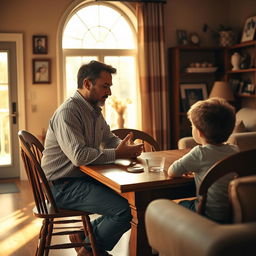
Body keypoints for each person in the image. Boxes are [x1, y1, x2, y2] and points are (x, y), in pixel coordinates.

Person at [41, 60, 143, 256]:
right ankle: (89, 251)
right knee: (125, 211)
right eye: (105, 86)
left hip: (79, 179)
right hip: (61, 186)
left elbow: (108, 137)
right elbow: (79, 157)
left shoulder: (93, 109)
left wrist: (125, 147)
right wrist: (118, 154)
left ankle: (83, 236)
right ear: (87, 84)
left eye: (110, 86)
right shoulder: (68, 112)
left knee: (131, 200)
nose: (110, 92)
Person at [167, 97, 239, 223]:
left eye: (192, 126)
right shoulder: (235, 150)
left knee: (178, 205)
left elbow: (172, 171)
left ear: (199, 133)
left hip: (207, 214)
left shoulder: (199, 153)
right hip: (233, 214)